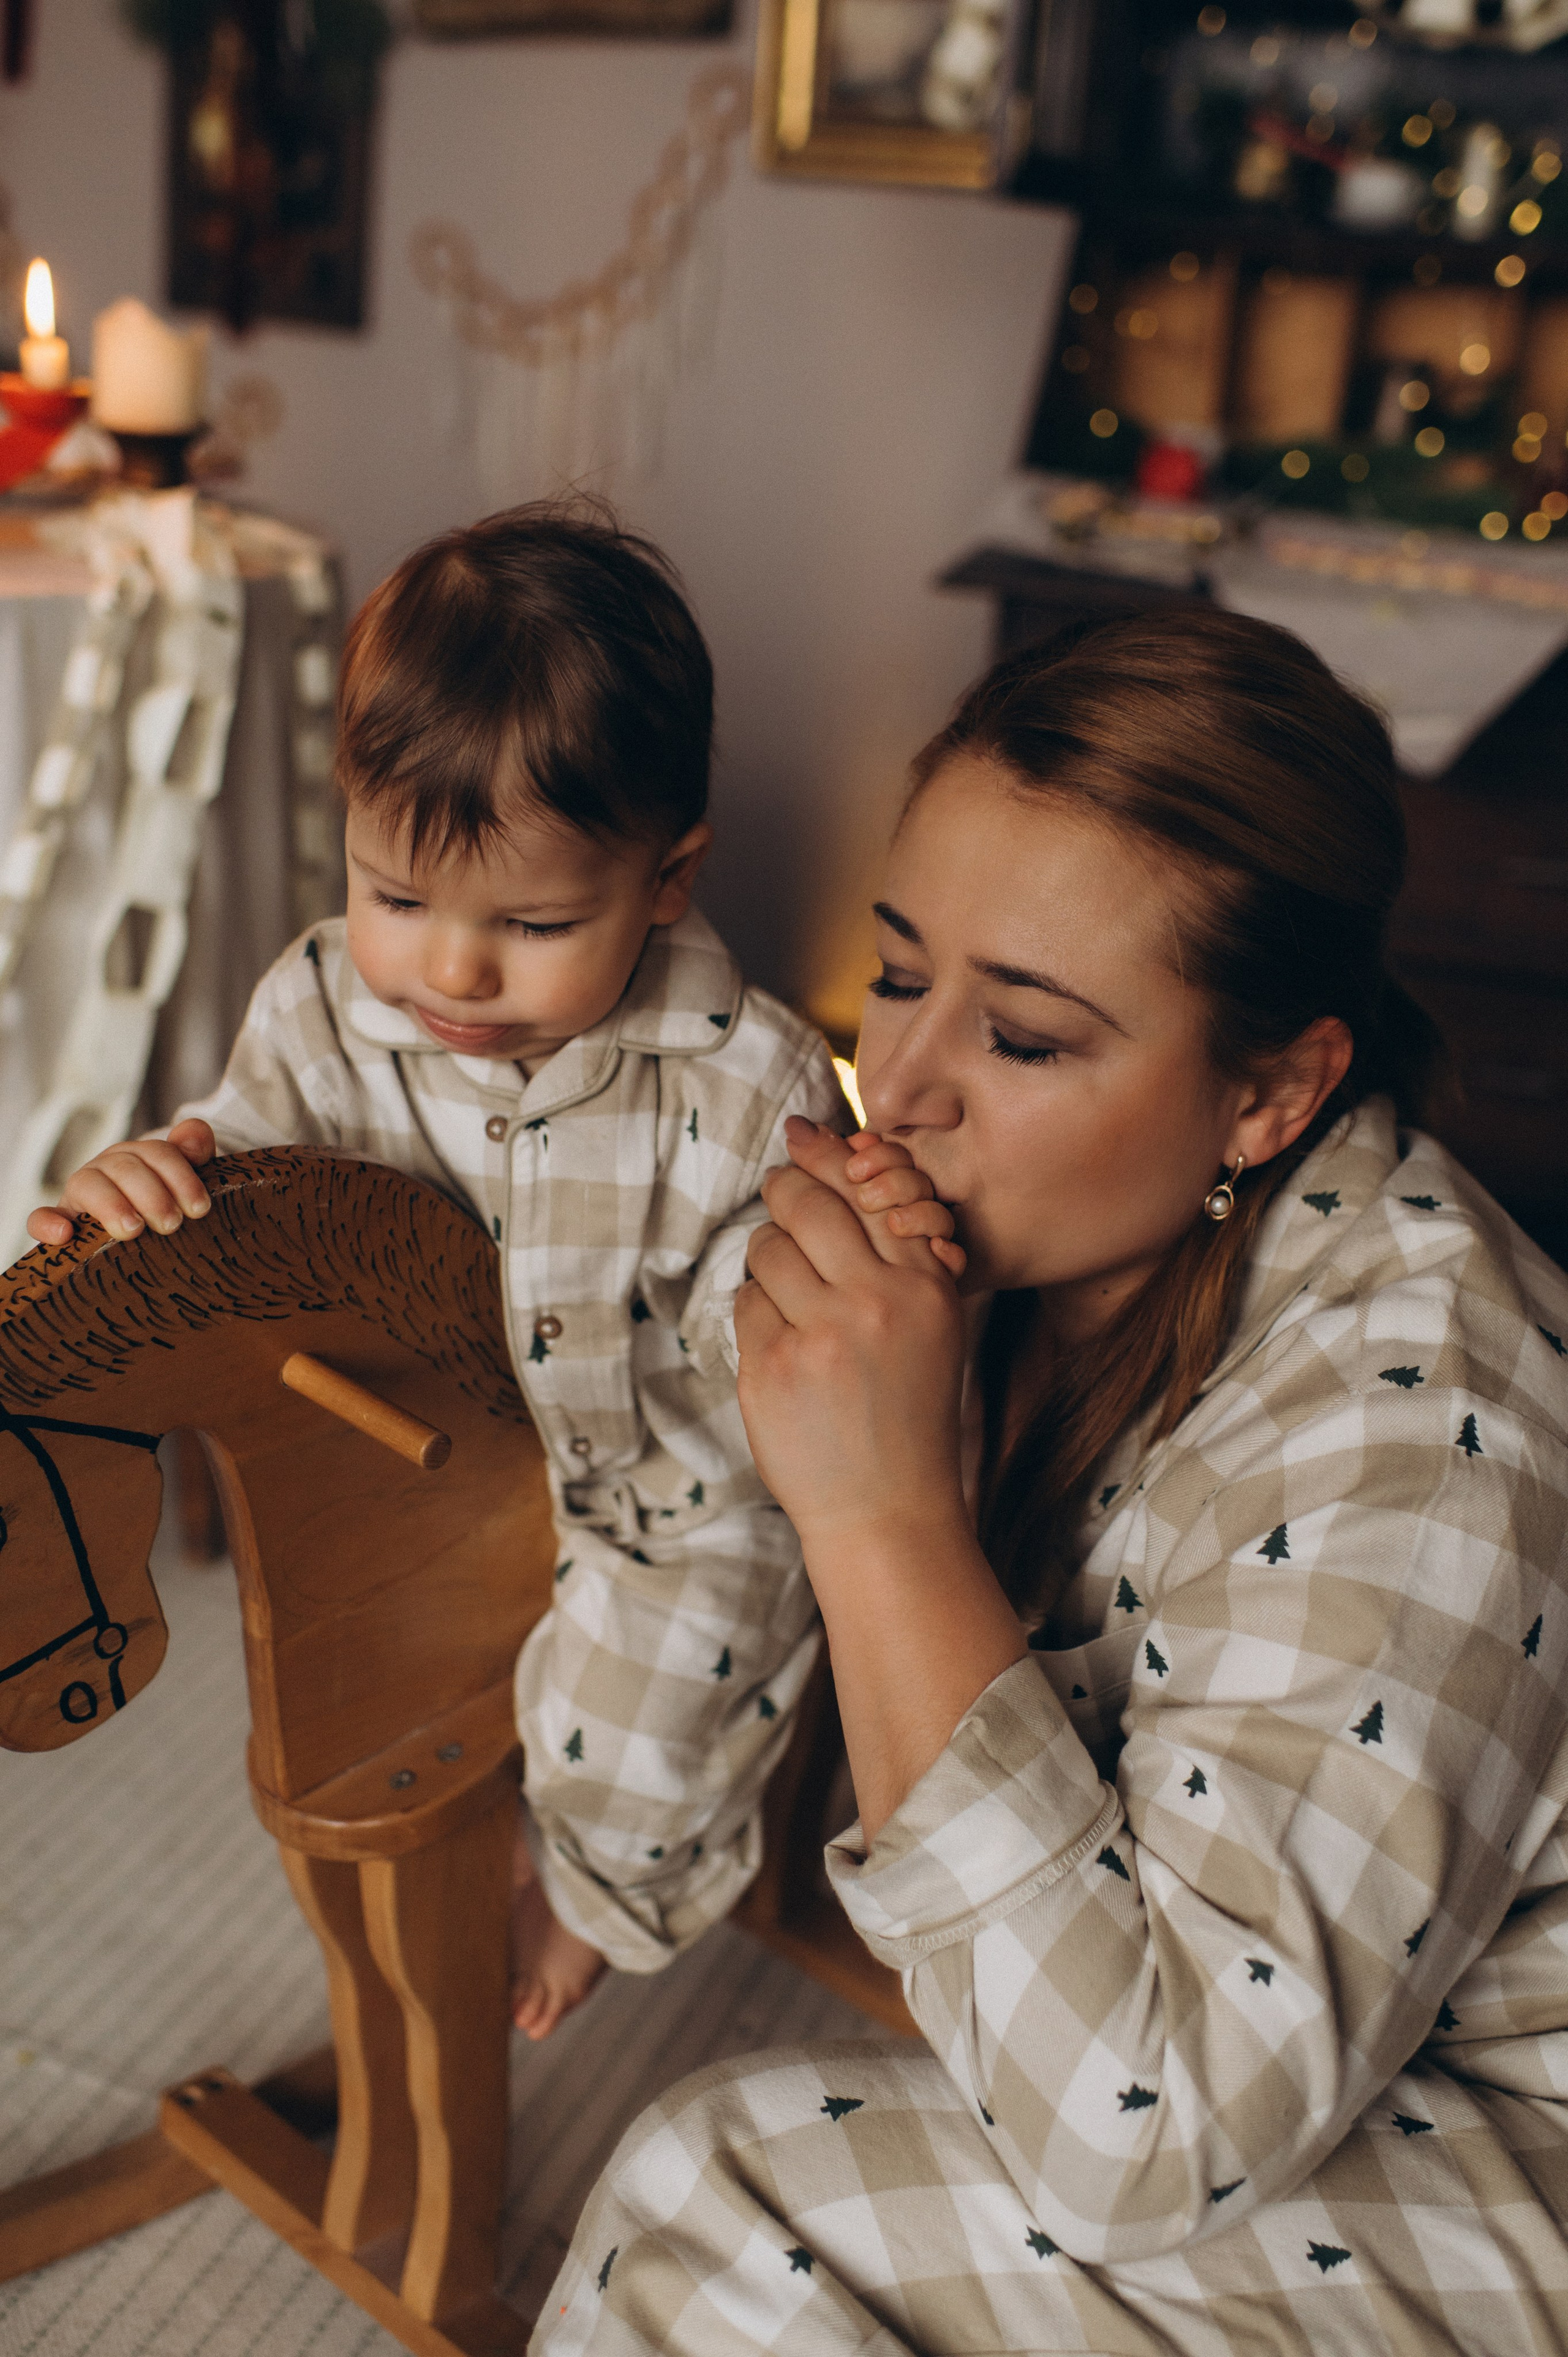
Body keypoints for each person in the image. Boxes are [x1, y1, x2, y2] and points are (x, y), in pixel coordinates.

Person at [535, 607, 1568, 2354]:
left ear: (1272, 1094)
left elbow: (1137, 2135)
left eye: (1023, 1039)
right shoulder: (1036, 1243)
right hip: (1273, 2057)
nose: (906, 1081)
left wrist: (882, 1518)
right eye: (905, 970)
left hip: (1504, 2158)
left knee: (736, 2203)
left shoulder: (1440, 1432)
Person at [26, 502, 916, 2043]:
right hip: (431, 1456)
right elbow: (249, 1168)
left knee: (659, 1690)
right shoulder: (321, 1000)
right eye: (397, 899)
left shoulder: (740, 1070)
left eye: (533, 922)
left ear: (666, 881)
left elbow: (747, 1313)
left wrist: (825, 1264)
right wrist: (149, 1179)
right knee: (339, 1660)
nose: (452, 971)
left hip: (657, 1483)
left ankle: (581, 1886)